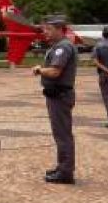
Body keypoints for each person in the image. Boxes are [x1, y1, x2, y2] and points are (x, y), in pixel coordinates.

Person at [32, 16, 78, 185]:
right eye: (44, 29)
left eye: (48, 29)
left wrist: (39, 70)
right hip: (56, 95)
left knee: (63, 135)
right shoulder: (58, 46)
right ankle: (62, 167)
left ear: (60, 29)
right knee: (60, 134)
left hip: (60, 96)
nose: (45, 32)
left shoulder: (63, 47)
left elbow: (55, 72)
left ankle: (65, 172)